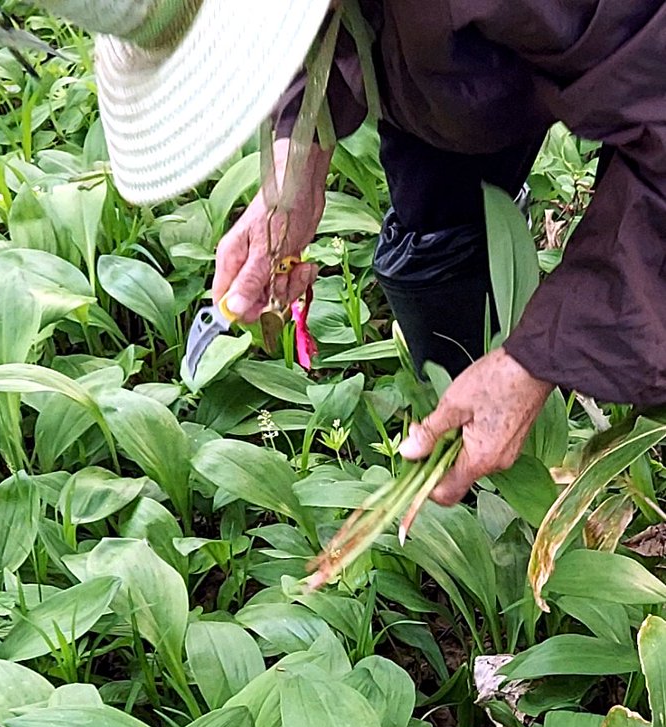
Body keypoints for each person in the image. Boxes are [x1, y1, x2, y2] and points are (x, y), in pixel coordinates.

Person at [46, 0, 666, 505]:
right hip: (466, 55)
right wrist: (297, 157)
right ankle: (475, 436)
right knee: (438, 227)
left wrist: (540, 356)